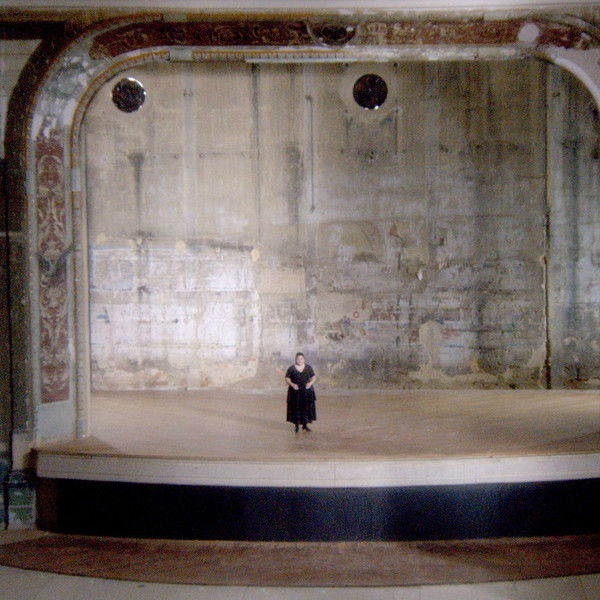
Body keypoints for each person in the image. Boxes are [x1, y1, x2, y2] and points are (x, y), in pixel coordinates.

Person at [285, 352, 317, 432]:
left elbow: (314, 377)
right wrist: (292, 384)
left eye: (301, 359)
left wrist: (310, 383)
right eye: (298, 359)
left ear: (304, 359)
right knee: (296, 408)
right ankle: (296, 426)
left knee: (306, 408)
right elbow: (287, 378)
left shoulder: (308, 368)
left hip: (306, 391)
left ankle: (305, 426)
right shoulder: (291, 368)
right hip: (295, 392)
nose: (300, 360)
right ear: (295, 359)